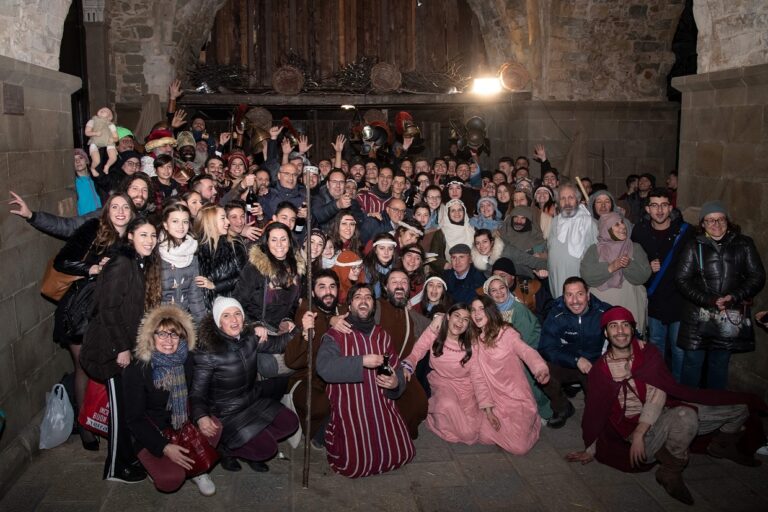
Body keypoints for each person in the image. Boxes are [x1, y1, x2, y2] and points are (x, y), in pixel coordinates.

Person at [567, 306, 765, 506]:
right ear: (606, 333)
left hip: (663, 411)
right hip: (641, 431)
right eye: (614, 326)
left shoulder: (648, 353)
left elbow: (659, 393)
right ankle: (670, 472)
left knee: (741, 406)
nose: (620, 331)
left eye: (625, 325)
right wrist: (592, 448)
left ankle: (723, 446)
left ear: (633, 329)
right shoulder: (601, 371)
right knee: (684, 416)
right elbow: (595, 413)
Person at [80, 216, 161, 483]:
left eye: (153, 236)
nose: (149, 241)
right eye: (143, 235)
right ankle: (115, 466)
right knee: (119, 411)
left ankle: (127, 457)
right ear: (130, 237)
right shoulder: (122, 263)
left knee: (127, 407)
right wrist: (122, 348)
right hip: (110, 348)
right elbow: (108, 308)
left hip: (126, 346)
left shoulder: (140, 263)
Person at [52, 193, 135, 451]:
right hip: (82, 311)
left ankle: (106, 419)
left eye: (126, 207)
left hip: (112, 312)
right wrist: (91, 268)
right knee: (83, 367)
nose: (121, 212)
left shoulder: (134, 237)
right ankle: (85, 428)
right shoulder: (93, 229)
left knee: (109, 366)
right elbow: (62, 260)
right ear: (107, 210)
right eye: (115, 207)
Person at [190, 297, 299, 473]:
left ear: (243, 318)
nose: (233, 320)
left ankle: (250, 445)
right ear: (218, 322)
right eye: (226, 316)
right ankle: (226, 449)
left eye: (237, 314)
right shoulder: (208, 353)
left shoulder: (249, 338)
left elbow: (278, 344)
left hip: (251, 402)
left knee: (290, 423)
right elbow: (197, 393)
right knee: (267, 449)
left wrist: (299, 330)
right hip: (226, 414)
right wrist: (201, 416)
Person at [316, 284, 414, 478]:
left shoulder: (383, 336)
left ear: (373, 305)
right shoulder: (335, 335)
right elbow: (324, 368)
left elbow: (397, 369)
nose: (363, 300)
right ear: (350, 305)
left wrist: (395, 383)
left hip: (381, 405)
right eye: (358, 297)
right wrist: (362, 361)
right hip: (352, 406)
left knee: (404, 454)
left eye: (368, 297)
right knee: (355, 465)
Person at [124, 305, 219, 496]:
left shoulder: (187, 359)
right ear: (150, 337)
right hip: (153, 431)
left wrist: (201, 416)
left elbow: (197, 394)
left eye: (174, 335)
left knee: (215, 426)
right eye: (161, 334)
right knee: (170, 480)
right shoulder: (138, 369)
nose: (169, 341)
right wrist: (164, 447)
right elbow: (134, 419)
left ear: (182, 337)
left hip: (183, 425)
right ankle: (161, 464)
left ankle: (197, 470)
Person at [675, 201, 765, 389]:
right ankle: (688, 405)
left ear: (727, 221)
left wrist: (734, 296)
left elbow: (757, 276)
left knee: (719, 363)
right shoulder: (693, 245)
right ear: (703, 224)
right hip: (698, 317)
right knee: (693, 362)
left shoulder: (744, 243)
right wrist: (709, 299)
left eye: (720, 219)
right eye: (710, 220)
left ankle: (716, 408)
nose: (716, 224)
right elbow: (682, 279)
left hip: (728, 314)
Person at [468, 296, 550, 454]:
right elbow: (478, 378)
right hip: (494, 399)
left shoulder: (506, 333)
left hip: (516, 398)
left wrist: (540, 368)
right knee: (483, 436)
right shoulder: (475, 340)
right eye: (473, 310)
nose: (477, 313)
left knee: (519, 448)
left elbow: (526, 351)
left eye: (481, 309)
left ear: (490, 311)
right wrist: (488, 409)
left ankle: (534, 424)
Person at [631, 188, 692, 381]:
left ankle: (679, 389)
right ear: (648, 209)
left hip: (678, 300)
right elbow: (633, 263)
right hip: (654, 299)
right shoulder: (639, 231)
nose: (659, 210)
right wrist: (647, 268)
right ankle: (659, 386)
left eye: (664, 205)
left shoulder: (684, 231)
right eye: (655, 205)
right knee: (656, 347)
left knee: (679, 349)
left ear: (670, 207)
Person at [401, 305, 484, 444]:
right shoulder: (436, 331)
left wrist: (485, 403)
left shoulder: (472, 343)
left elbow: (478, 376)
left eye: (465, 319)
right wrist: (407, 366)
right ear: (448, 317)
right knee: (449, 407)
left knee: (471, 432)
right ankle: (434, 412)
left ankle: (443, 416)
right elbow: (417, 351)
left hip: (465, 388)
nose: (460, 322)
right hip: (442, 384)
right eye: (457, 316)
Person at [538, 277, 612, 428]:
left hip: (595, 364)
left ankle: (595, 407)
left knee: (596, 417)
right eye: (569, 295)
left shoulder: (603, 311)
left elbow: (625, 326)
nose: (575, 301)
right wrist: (576, 359)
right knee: (542, 370)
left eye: (579, 294)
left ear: (588, 295)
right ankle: (562, 407)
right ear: (563, 297)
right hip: (568, 362)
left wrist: (638, 340)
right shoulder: (556, 314)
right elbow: (546, 347)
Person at [285, 270, 348, 448]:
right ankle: (318, 434)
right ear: (313, 292)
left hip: (335, 376)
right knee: (323, 404)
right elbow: (291, 361)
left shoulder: (342, 311)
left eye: (332, 287)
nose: (328, 292)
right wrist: (305, 333)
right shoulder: (305, 311)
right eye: (322, 287)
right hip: (306, 378)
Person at [483, 276, 552, 420]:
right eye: (494, 290)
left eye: (502, 288)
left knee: (529, 381)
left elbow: (524, 342)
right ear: (489, 294)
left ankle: (546, 411)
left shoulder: (518, 309)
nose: (499, 293)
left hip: (528, 349)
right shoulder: (492, 310)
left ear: (507, 288)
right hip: (507, 351)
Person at [376, 270, 430, 438]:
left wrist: (441, 317)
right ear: (385, 287)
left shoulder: (413, 317)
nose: (399, 285)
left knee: (419, 405)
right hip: (375, 371)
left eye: (404, 282)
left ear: (409, 289)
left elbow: (437, 328)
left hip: (402, 372)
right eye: (394, 281)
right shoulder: (376, 307)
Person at [580, 212, 651, 334]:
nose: (623, 227)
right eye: (616, 225)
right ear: (606, 229)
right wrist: (611, 267)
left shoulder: (635, 248)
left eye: (622, 223)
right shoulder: (594, 250)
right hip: (602, 306)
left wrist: (629, 265)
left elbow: (644, 276)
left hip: (630, 303)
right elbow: (587, 276)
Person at [233, 221, 304, 328]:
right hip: (259, 330)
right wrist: (255, 325)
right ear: (267, 243)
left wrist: (288, 319)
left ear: (290, 242)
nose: (279, 244)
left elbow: (294, 303)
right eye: (274, 240)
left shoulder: (297, 267)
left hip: (283, 330)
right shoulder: (255, 267)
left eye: (283, 239)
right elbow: (238, 301)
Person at [157, 203, 206, 323]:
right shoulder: (155, 251)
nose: (181, 226)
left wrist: (203, 326)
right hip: (160, 321)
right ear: (165, 225)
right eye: (175, 221)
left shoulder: (192, 251)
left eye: (185, 221)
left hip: (184, 320)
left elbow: (195, 296)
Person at [547, 184, 598, 297]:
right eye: (563, 198)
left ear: (578, 200)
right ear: (558, 202)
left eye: (571, 197)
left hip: (580, 282)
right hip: (557, 280)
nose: (567, 202)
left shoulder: (590, 223)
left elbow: (598, 254)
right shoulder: (555, 222)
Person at [194, 204, 248, 310]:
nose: (228, 222)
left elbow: (245, 279)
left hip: (230, 308)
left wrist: (215, 285)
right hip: (203, 311)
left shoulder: (234, 246)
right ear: (210, 222)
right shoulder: (194, 250)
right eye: (223, 218)